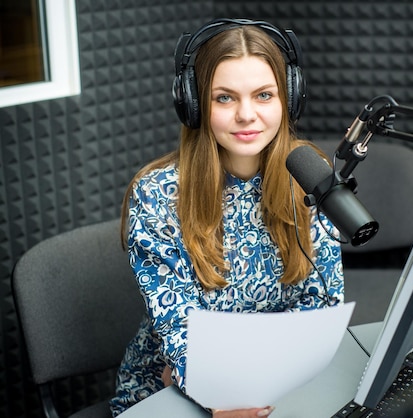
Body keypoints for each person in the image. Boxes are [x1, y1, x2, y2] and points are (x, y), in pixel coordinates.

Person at [110, 19, 344, 417]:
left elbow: (321, 303)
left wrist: (260, 378)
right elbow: (180, 325)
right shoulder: (156, 195)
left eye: (264, 95)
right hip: (172, 387)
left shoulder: (310, 175)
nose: (246, 115)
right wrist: (217, 391)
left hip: (278, 380)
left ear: (289, 99)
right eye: (224, 98)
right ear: (195, 104)